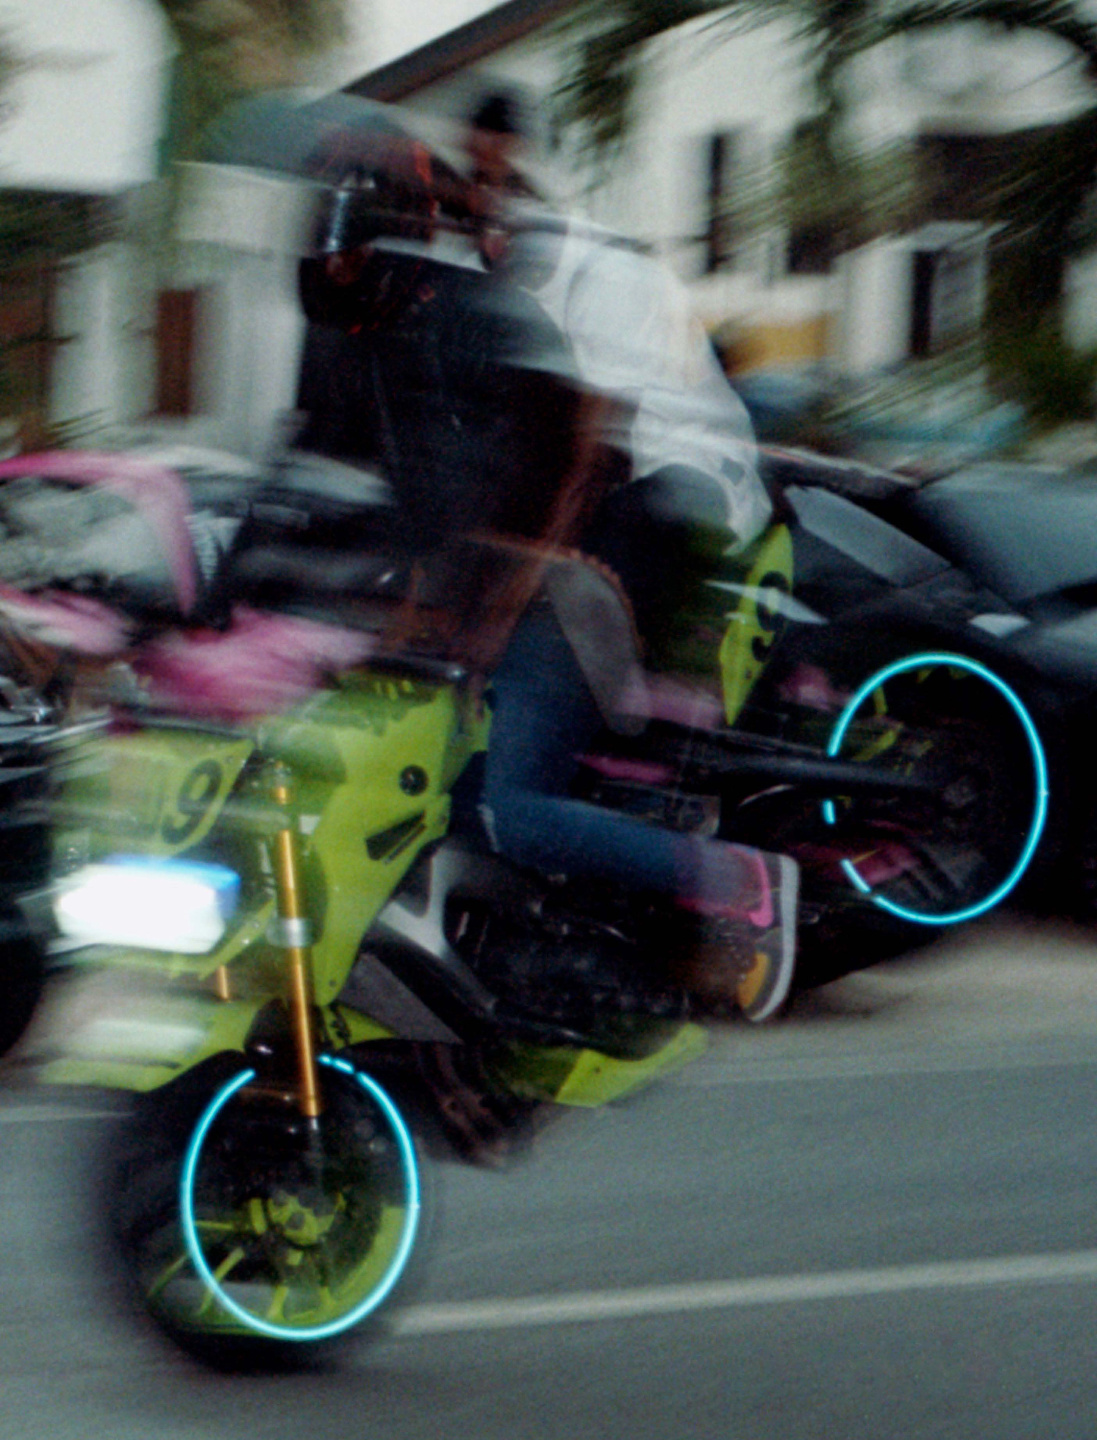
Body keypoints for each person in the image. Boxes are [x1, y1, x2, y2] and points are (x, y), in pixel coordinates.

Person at [463, 88, 799, 1021]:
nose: (481, 207)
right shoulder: (504, 290)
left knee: (511, 800)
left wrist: (526, 580)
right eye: (472, 187)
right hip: (607, 516)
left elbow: (591, 449)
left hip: (676, 499)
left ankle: (730, 879)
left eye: (496, 181)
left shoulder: (599, 277)